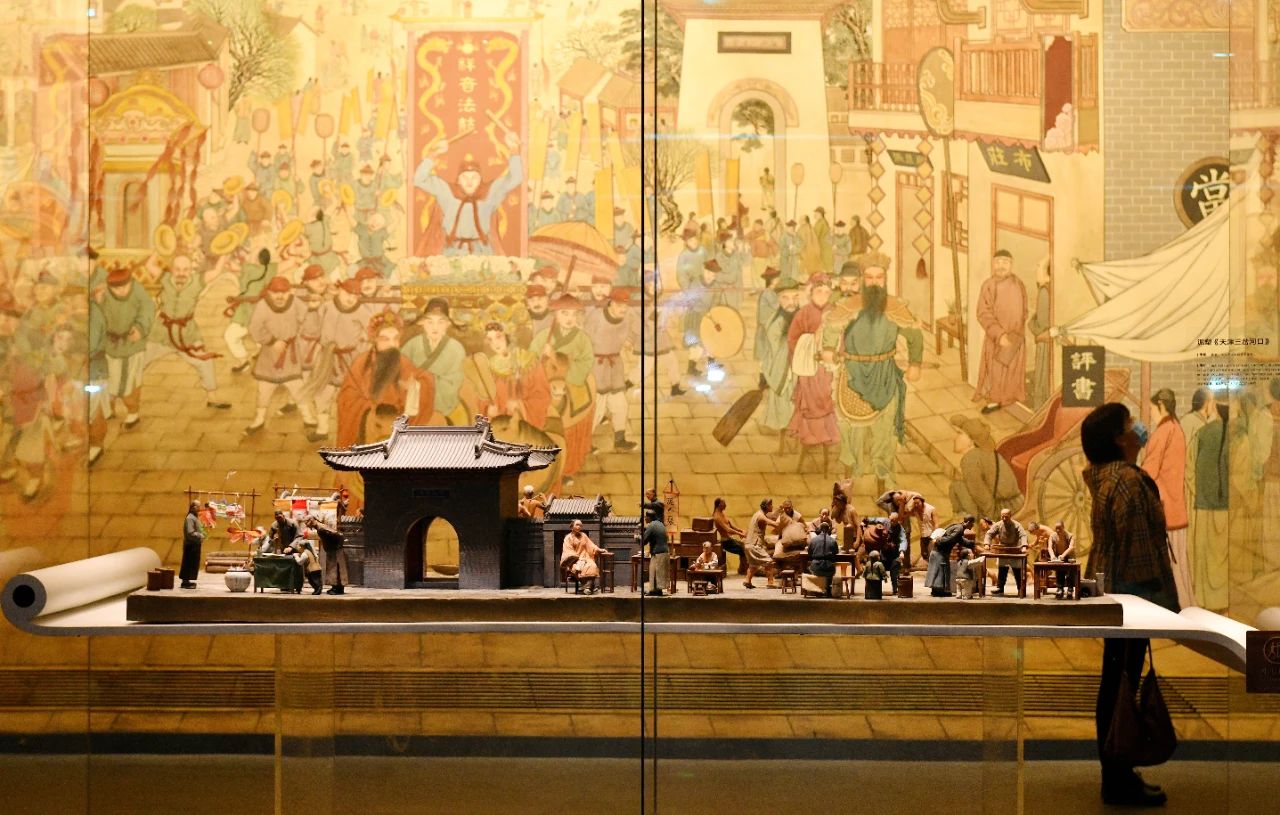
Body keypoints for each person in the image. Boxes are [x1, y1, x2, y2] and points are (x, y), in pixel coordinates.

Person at [1081, 402, 1178, 807]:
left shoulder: (1110, 477)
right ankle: (1117, 778)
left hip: (1114, 593)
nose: (1138, 428)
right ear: (1119, 438)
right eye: (1130, 423)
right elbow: (1139, 551)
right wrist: (1156, 604)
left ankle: (1117, 772)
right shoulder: (1126, 481)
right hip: (1131, 598)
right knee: (1121, 684)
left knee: (1115, 682)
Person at [1141, 388, 1191, 604]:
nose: (1152, 413)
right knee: (1179, 565)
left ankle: (1176, 608)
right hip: (1175, 506)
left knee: (1168, 566)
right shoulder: (1176, 428)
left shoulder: (1163, 432)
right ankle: (1184, 605)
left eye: (1152, 409)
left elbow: (1149, 472)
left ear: (1161, 406)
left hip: (1164, 508)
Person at [975, 249, 1028, 414]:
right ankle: (995, 400)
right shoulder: (988, 285)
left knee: (1013, 370)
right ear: (993, 264)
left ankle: (1010, 398)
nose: (1001, 266)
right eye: (998, 262)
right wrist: (999, 334)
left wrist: (1017, 332)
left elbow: (1025, 309)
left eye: (1005, 262)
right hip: (997, 337)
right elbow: (983, 313)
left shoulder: (1019, 284)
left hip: (1016, 337)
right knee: (996, 370)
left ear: (1011, 264)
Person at [984, 508, 1029, 595]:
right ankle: (1000, 588)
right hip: (1003, 550)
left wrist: (1024, 546)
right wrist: (987, 543)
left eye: (1006, 517)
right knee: (1002, 570)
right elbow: (989, 534)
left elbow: (1023, 535)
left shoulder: (1017, 525)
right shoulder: (998, 525)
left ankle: (1020, 588)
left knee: (1017, 570)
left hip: (1014, 549)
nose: (1004, 519)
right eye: (1002, 517)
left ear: (1010, 516)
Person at [927, 516, 974, 597]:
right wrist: (938, 541)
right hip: (940, 552)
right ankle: (939, 592)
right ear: (969, 522)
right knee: (941, 571)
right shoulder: (959, 529)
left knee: (939, 571)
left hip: (939, 552)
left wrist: (971, 543)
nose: (972, 525)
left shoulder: (958, 527)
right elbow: (950, 538)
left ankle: (936, 591)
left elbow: (959, 540)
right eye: (972, 523)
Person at [306, 516, 349, 595]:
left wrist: (337, 546)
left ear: (311, 520)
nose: (306, 524)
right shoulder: (321, 527)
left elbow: (338, 535)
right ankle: (337, 587)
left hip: (334, 551)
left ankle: (336, 588)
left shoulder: (321, 528)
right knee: (335, 568)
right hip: (333, 550)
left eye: (307, 522)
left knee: (335, 569)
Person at [743, 499, 780, 589]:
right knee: (769, 562)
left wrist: (778, 510)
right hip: (754, 544)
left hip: (749, 544)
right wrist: (781, 516)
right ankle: (770, 582)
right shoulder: (761, 516)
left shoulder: (758, 514)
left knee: (753, 565)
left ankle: (747, 581)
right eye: (771, 505)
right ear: (766, 506)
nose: (772, 506)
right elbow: (775, 524)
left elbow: (771, 516)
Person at [561, 519, 601, 594]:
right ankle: (589, 587)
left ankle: (586, 587)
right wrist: (577, 558)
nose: (579, 527)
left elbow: (591, 545)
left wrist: (599, 549)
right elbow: (568, 550)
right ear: (572, 527)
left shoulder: (584, 535)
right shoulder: (568, 538)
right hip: (574, 560)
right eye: (577, 525)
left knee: (592, 565)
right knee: (578, 568)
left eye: (580, 525)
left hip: (585, 557)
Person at [711, 497, 747, 572]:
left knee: (744, 548)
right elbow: (727, 529)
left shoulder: (722, 513)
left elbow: (730, 525)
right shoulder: (717, 517)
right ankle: (743, 569)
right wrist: (740, 534)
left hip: (730, 539)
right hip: (726, 541)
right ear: (719, 504)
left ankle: (742, 568)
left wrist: (740, 530)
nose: (725, 505)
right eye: (724, 503)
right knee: (743, 550)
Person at [806, 520, 838, 597]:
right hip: (829, 567)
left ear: (819, 530)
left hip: (816, 567)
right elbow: (836, 552)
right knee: (832, 567)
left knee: (808, 567)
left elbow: (809, 553)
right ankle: (828, 589)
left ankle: (817, 589)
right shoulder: (833, 540)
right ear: (829, 530)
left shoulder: (813, 540)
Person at [1046, 520, 1077, 598]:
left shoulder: (1070, 535)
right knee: (1059, 572)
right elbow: (1049, 547)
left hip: (1069, 557)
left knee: (1070, 573)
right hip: (1059, 557)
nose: (1058, 530)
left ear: (1063, 527)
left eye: (1059, 528)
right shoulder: (1053, 536)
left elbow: (1071, 547)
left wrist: (1063, 555)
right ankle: (1060, 589)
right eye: (1056, 528)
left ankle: (1070, 589)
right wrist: (1052, 555)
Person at [642, 510, 668, 597]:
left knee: (653, 571)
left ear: (649, 517)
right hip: (664, 551)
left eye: (646, 517)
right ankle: (658, 590)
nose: (645, 519)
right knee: (658, 572)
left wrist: (638, 537)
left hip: (657, 552)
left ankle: (653, 590)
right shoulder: (660, 524)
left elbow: (644, 540)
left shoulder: (651, 525)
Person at [180, 500, 205, 589]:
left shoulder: (194, 517)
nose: (199, 508)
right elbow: (190, 532)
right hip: (191, 545)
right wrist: (200, 535)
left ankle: (187, 581)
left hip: (194, 544)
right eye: (198, 507)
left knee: (192, 563)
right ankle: (185, 581)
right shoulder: (190, 518)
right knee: (188, 563)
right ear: (193, 507)